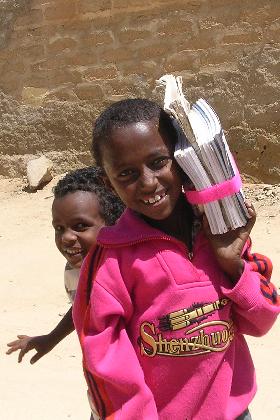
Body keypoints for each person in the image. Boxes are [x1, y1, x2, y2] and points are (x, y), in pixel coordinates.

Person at [73, 98, 280, 420]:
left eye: (158, 162)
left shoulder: (220, 231)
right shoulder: (109, 262)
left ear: (183, 160)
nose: (148, 182)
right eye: (126, 173)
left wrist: (231, 264)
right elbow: (106, 363)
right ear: (107, 183)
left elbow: (263, 320)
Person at [6, 166, 125, 365]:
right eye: (59, 228)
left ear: (114, 223)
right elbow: (83, 306)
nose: (66, 238)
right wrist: (50, 339)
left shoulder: (129, 270)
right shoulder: (75, 271)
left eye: (80, 226)